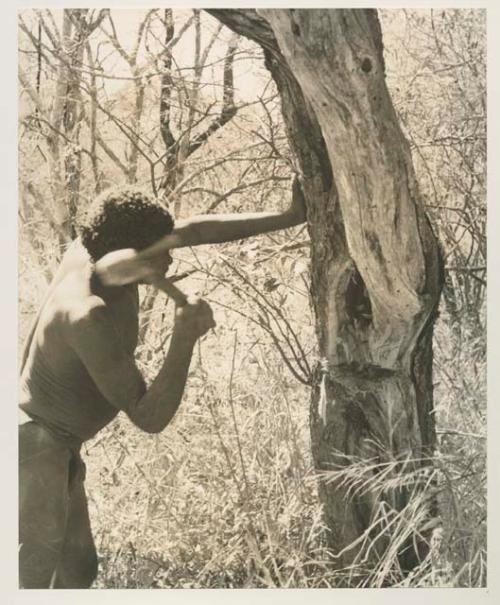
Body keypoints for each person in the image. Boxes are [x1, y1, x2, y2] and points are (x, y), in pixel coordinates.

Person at [19, 180, 306, 588]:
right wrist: (184, 338)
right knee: (28, 581)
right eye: (162, 251)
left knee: (77, 572)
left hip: (55, 444)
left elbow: (194, 231)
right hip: (33, 450)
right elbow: (149, 416)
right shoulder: (87, 315)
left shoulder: (97, 245)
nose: (171, 255)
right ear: (132, 254)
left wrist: (289, 216)